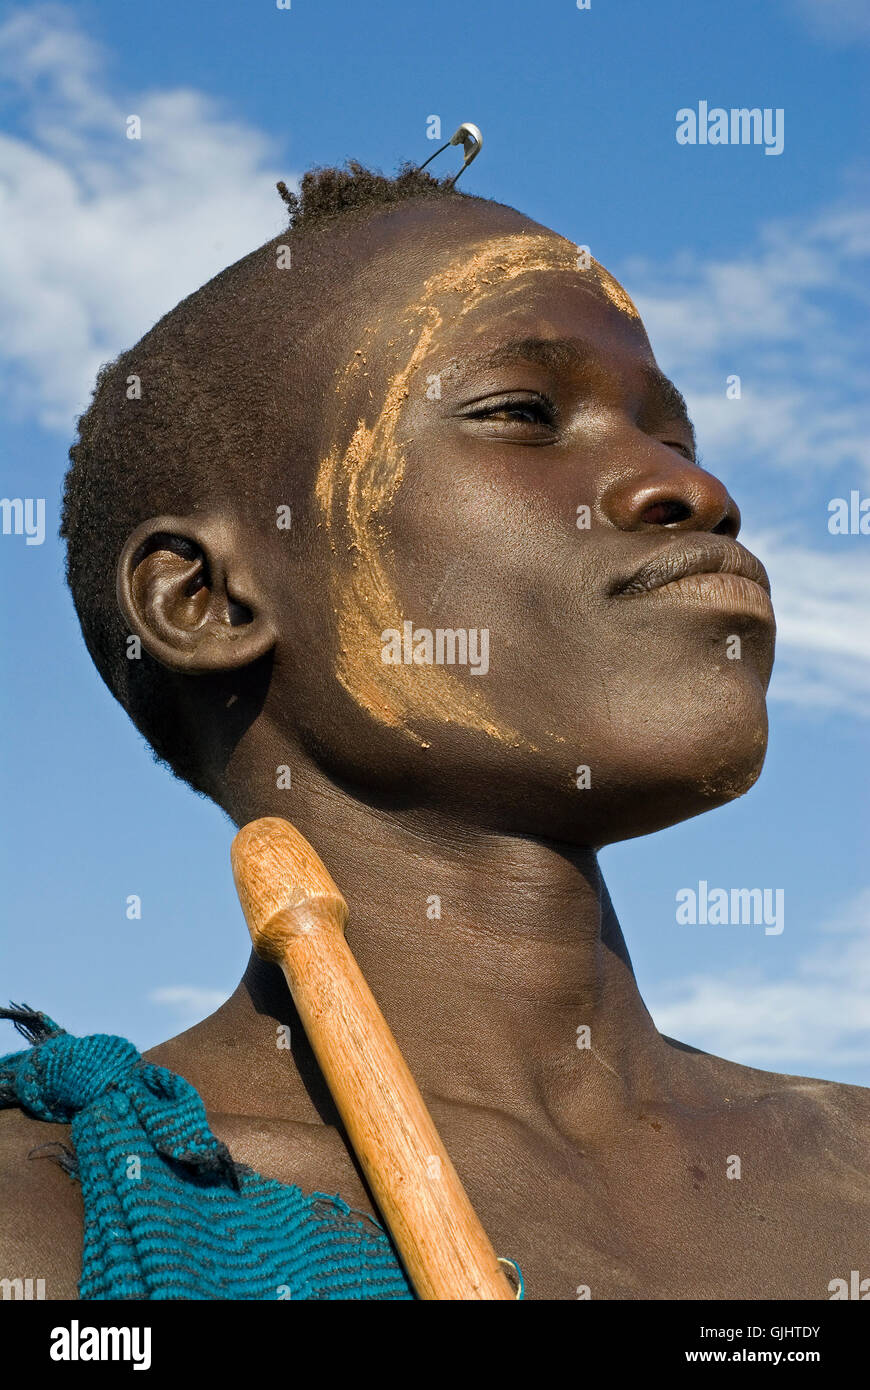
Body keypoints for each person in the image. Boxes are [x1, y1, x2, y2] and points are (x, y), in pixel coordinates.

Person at [2, 162, 866, 1300]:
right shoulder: (74, 1224)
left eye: (676, 434)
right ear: (204, 601)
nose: (690, 490)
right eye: (523, 413)